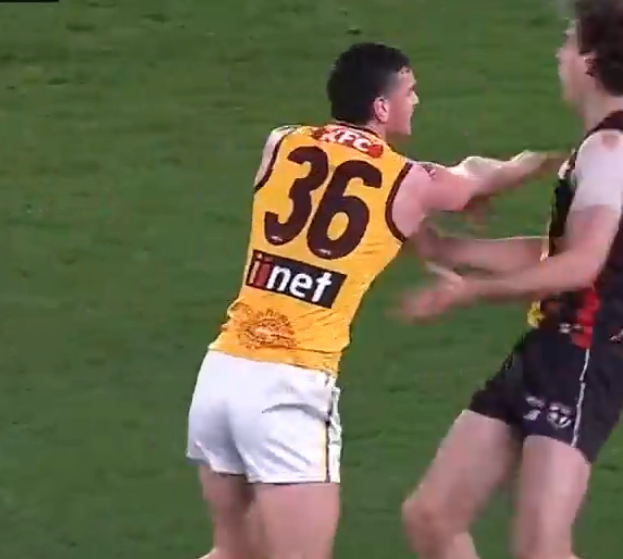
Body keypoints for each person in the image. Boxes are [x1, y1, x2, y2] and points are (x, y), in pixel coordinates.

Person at [184, 42, 561, 559]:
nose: (416, 100)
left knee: (232, 552)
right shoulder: (408, 180)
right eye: (409, 91)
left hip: (222, 375)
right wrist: (539, 162)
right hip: (289, 387)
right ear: (381, 108)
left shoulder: (281, 143)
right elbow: (478, 175)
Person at [398, 2, 623, 559]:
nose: (559, 54)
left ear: (590, 62)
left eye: (568, 43)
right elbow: (556, 252)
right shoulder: (601, 147)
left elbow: (581, 265)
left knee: (540, 547)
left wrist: (468, 290)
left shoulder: (612, 151)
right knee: (432, 516)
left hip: (583, 360)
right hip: (547, 350)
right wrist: (453, 249)